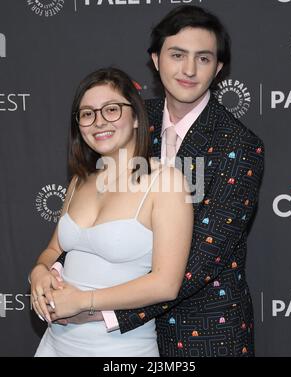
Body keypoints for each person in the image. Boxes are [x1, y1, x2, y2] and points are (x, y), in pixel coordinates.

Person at [40, 5, 265, 357]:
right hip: (104, 333)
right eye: (177, 55)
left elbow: (198, 261)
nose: (189, 70)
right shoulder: (127, 118)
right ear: (156, 60)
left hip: (202, 330)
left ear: (218, 68)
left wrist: (95, 309)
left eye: (203, 58)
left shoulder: (238, 145)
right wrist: (48, 272)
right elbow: (97, 212)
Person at [30, 67, 193, 357]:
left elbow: (166, 284)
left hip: (121, 351)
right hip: (54, 345)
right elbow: (54, 248)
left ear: (135, 118)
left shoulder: (166, 181)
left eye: (112, 109)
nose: (99, 121)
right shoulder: (79, 181)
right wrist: (39, 271)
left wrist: (84, 301)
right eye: (87, 113)